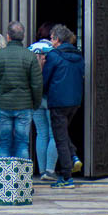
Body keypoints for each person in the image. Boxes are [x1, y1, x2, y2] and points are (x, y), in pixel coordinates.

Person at [0, 21, 42, 159]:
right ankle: (22, 178)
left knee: (5, 143)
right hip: (24, 105)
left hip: (4, 105)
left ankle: (4, 177)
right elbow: (36, 84)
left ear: (8, 36)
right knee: (22, 143)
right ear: (23, 36)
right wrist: (35, 103)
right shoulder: (29, 56)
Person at [43, 24, 84, 189]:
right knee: (63, 132)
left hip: (58, 102)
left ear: (57, 39)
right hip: (74, 101)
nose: (51, 42)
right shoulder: (78, 56)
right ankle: (73, 156)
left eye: (52, 38)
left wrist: (43, 93)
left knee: (59, 137)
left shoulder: (54, 56)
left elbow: (46, 79)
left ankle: (67, 177)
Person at [29, 23, 58, 178]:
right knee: (54, 134)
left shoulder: (30, 49)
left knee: (41, 133)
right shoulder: (54, 51)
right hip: (51, 96)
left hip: (35, 97)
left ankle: (41, 170)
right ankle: (49, 170)